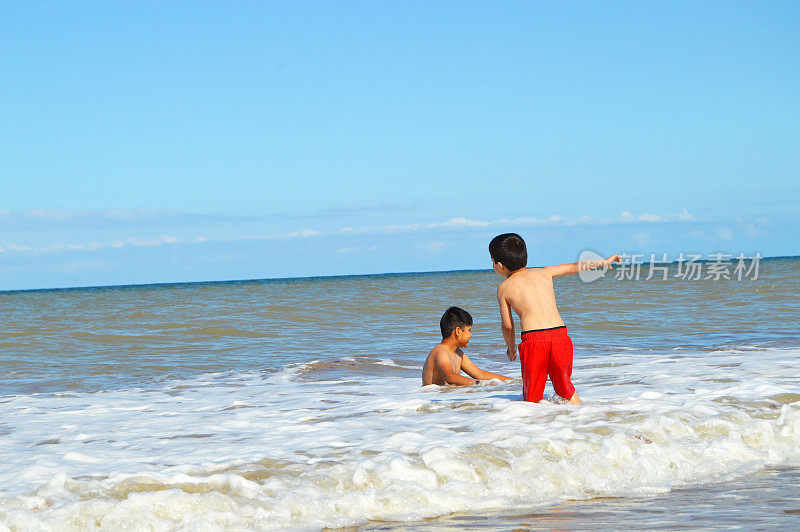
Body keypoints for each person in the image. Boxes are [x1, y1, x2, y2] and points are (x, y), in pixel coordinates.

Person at [489, 233, 620, 404]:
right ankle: (581, 418)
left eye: (492, 261)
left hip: (534, 339)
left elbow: (508, 325)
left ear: (500, 265)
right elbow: (575, 267)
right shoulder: (545, 272)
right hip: (560, 336)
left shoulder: (504, 288)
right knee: (566, 388)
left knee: (532, 396)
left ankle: (535, 429)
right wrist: (603, 263)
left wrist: (512, 348)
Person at [422, 306, 513, 386]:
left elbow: (480, 374)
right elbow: (450, 377)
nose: (471, 335)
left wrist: (511, 381)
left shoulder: (458, 353)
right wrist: (480, 384)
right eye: (469, 330)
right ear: (458, 331)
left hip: (445, 398)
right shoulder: (440, 352)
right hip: (434, 402)